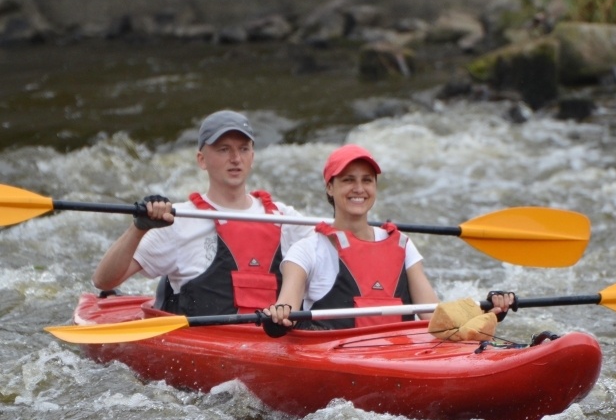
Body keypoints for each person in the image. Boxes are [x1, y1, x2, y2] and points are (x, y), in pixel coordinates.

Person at [263, 144, 515, 333]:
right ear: (330, 187)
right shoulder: (306, 250)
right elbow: (288, 307)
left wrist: (488, 310)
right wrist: (280, 316)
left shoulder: (402, 245)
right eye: (348, 180)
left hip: (399, 355)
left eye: (367, 180)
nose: (359, 189)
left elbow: (435, 317)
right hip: (333, 358)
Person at [92, 110, 313, 316]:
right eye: (224, 149)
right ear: (201, 160)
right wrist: (138, 229)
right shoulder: (178, 221)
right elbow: (104, 281)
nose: (236, 158)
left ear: (252, 157)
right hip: (201, 339)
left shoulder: (285, 218)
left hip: (272, 339)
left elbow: (332, 247)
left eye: (243, 149)